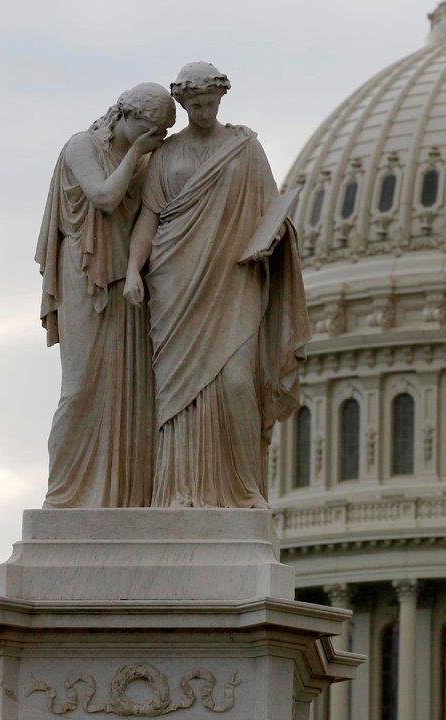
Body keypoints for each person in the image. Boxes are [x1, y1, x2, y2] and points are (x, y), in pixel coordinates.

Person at [124, 62, 309, 508]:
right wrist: (133, 270)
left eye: (209, 103)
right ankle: (179, 491)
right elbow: (149, 218)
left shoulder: (245, 148)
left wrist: (272, 240)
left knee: (237, 384)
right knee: (177, 394)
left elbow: (271, 211)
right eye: (194, 105)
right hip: (175, 282)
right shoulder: (166, 155)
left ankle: (245, 489)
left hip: (234, 277)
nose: (203, 111)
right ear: (183, 105)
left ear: (221, 99)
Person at [36, 82, 175, 508]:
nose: (157, 141)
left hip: (128, 281)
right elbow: (104, 197)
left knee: (127, 391)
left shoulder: (148, 158)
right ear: (127, 117)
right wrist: (138, 154)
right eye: (152, 130)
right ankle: (64, 495)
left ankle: (121, 497)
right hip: (85, 271)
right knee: (80, 387)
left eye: (163, 135)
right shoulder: (82, 145)